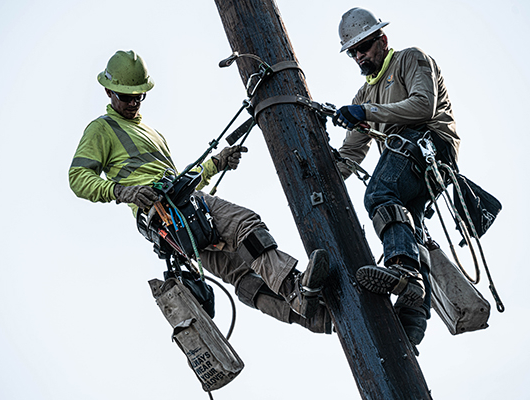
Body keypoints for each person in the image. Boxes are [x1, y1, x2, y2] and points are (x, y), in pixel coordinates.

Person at [69, 50, 332, 334]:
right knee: (245, 225)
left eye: (138, 96)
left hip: (175, 223)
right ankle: (296, 292)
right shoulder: (102, 129)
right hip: (168, 215)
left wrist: (215, 164)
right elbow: (78, 177)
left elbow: (178, 182)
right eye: (125, 97)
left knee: (240, 273)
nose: (133, 103)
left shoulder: (150, 132)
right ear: (108, 91)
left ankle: (318, 320)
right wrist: (122, 191)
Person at [331, 8, 460, 347]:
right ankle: (412, 321)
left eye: (365, 47)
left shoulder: (410, 60)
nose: (360, 55)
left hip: (430, 145)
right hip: (406, 159)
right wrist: (321, 168)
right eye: (354, 51)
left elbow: (423, 106)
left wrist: (367, 113)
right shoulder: (362, 97)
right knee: (409, 227)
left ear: (382, 40)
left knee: (379, 194)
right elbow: (350, 155)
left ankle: (403, 270)